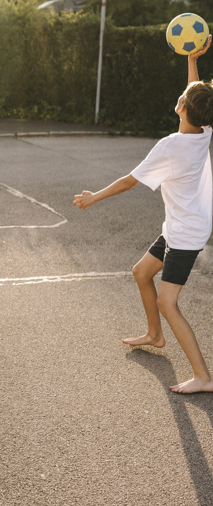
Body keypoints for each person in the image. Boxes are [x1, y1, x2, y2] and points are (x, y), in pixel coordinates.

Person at [74, 36, 213, 394]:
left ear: (182, 107)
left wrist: (95, 197)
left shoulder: (171, 146)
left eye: (184, 97)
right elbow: (195, 95)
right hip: (181, 224)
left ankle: (204, 377)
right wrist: (191, 60)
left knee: (169, 302)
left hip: (186, 233)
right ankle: (154, 335)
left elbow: (128, 182)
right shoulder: (204, 130)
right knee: (141, 272)